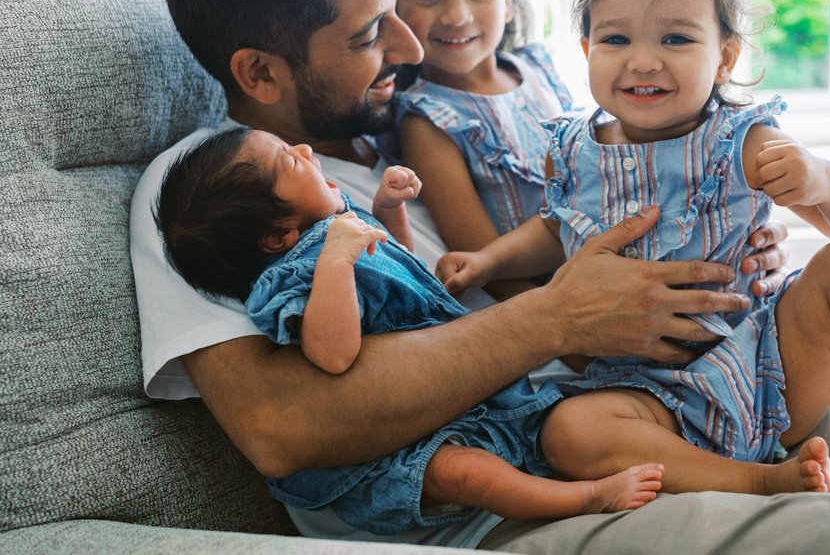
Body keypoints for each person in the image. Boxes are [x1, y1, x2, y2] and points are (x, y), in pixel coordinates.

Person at [127, 0, 830, 554]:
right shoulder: (211, 191)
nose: (415, 42)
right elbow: (284, 428)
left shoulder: (399, 141)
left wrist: (717, 256)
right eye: (373, 30)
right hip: (529, 492)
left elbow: (599, 226)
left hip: (700, 383)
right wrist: (559, 313)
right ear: (260, 71)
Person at [438, 0, 830, 500]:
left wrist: (825, 180)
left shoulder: (742, 141)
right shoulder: (571, 150)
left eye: (676, 39)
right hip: (639, 392)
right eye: (616, 40)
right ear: (586, 50)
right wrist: (488, 261)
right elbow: (556, 229)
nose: (644, 61)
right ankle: (760, 480)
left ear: (725, 56)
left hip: (762, 366)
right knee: (569, 433)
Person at [153, 125, 666, 534]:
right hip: (390, 457)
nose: (306, 150)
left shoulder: (337, 224)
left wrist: (387, 211)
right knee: (464, 474)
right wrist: (334, 263)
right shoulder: (293, 276)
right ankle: (584, 499)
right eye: (290, 160)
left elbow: (399, 270)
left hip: (447, 402)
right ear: (276, 235)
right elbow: (333, 354)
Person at [385, 0, 578, 300]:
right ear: (393, 7)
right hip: (562, 306)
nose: (457, 16)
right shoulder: (427, 119)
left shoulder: (538, 68)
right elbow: (487, 265)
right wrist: (578, 351)